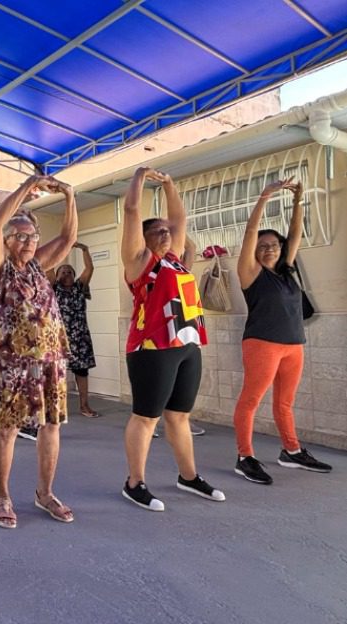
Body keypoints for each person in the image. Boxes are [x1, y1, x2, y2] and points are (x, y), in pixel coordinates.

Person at [121, 166, 225, 512]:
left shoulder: (176, 262)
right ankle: (134, 482)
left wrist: (169, 183)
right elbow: (132, 212)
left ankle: (189, 476)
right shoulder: (140, 262)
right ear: (144, 238)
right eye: (158, 231)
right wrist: (139, 177)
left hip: (186, 345)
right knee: (146, 417)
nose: (166, 234)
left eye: (167, 231)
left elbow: (179, 218)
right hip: (151, 348)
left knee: (179, 416)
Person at [0, 174, 77, 529]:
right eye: (19, 235)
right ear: (7, 241)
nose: (26, 240)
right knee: (7, 429)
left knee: (51, 426)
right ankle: (1, 495)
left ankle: (45, 493)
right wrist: (27, 186)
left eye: (31, 235)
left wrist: (69, 196)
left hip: (52, 362)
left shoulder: (40, 265)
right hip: (14, 364)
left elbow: (69, 237)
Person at [232, 178, 332, 484]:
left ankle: (291, 451)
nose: (268, 249)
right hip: (262, 344)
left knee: (284, 403)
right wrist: (265, 196)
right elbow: (251, 232)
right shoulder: (251, 273)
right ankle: (245, 457)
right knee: (251, 400)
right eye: (262, 247)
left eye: (273, 244)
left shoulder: (287, 270)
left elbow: (296, 234)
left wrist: (298, 200)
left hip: (293, 346)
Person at [152, 237, 206, 437]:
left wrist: (175, 230)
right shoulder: (148, 267)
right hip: (162, 331)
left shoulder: (180, 268)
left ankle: (181, 420)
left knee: (182, 382)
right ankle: (150, 422)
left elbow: (190, 247)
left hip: (187, 330)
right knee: (159, 382)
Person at [53, 242, 98, 418]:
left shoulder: (80, 287)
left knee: (82, 372)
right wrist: (58, 250)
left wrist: (84, 249)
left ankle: (84, 405)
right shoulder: (53, 289)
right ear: (57, 276)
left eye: (70, 272)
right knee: (58, 374)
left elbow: (89, 268)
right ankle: (56, 408)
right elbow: (48, 268)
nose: (67, 275)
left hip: (80, 338)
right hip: (59, 339)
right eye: (63, 272)